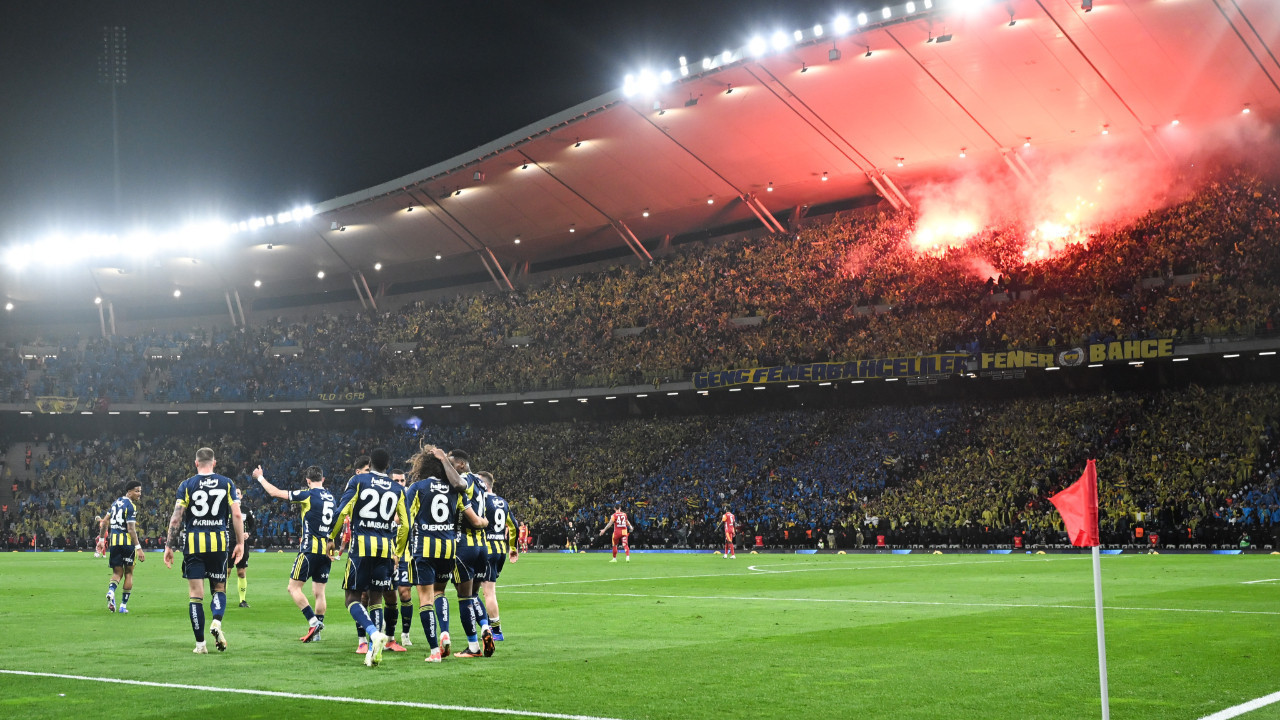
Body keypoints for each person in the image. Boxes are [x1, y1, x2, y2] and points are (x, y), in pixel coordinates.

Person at [402, 443, 484, 663]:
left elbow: (405, 520)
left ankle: (434, 651)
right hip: (448, 550)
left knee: (425, 599)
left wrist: (401, 547)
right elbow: (471, 517)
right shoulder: (454, 490)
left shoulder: (417, 488)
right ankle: (445, 632)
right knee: (440, 592)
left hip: (424, 549)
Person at [329, 447, 408, 667]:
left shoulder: (358, 481)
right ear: (388, 466)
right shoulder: (397, 489)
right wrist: (398, 552)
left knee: (352, 598)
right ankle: (375, 650)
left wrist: (331, 537)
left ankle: (372, 634)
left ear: (370, 463)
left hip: (361, 548)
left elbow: (342, 510)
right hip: (385, 549)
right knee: (376, 599)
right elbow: (406, 525)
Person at [162, 447, 245, 654]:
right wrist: (240, 542)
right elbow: (236, 514)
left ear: (196, 463)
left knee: (195, 595)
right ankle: (216, 621)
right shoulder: (227, 483)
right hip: (218, 543)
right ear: (214, 463)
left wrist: (169, 545)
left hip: (193, 543)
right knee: (219, 588)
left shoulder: (187, 485)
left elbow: (176, 518)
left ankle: (200, 645)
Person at [252, 464, 335, 642]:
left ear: (307, 480)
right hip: (326, 553)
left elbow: (275, 493)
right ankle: (317, 634)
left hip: (309, 550)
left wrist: (260, 477)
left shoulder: (308, 494)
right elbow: (334, 525)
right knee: (319, 593)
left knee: (293, 587)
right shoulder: (331, 497)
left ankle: (313, 622)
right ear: (323, 479)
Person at [447, 449, 495, 658]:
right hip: (482, 546)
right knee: (474, 595)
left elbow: (459, 487)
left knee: (464, 599)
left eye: (451, 465)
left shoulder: (465, 479)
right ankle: (485, 627)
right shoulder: (482, 483)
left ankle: (473, 647)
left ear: (461, 465)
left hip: (463, 545)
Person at [477, 471, 518, 641]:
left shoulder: (482, 501)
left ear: (484, 485)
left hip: (486, 549)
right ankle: (487, 624)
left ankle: (496, 630)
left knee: (487, 592)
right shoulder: (503, 502)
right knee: (484, 588)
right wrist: (513, 547)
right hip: (500, 549)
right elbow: (514, 526)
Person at [102, 480, 146, 613]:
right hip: (127, 544)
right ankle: (123, 606)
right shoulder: (131, 506)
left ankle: (111, 591)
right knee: (129, 573)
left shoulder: (115, 503)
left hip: (114, 543)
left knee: (117, 572)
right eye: (137, 491)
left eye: (140, 491)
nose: (139, 494)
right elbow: (131, 529)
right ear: (129, 491)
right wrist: (138, 548)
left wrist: (101, 539)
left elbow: (105, 521)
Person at [390, 468, 415, 648]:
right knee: (384, 594)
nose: (400, 484)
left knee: (405, 592)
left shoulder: (409, 497)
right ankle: (386, 629)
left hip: (406, 554)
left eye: (402, 481)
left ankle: (405, 633)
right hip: (385, 552)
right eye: (396, 481)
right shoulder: (384, 497)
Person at [226, 464, 255, 609]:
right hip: (229, 543)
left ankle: (242, 600)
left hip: (242, 544)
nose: (236, 495)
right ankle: (220, 598)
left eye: (238, 493)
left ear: (241, 496)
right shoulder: (226, 509)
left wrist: (248, 533)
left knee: (241, 572)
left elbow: (253, 525)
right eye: (234, 493)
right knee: (227, 572)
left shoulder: (246, 510)